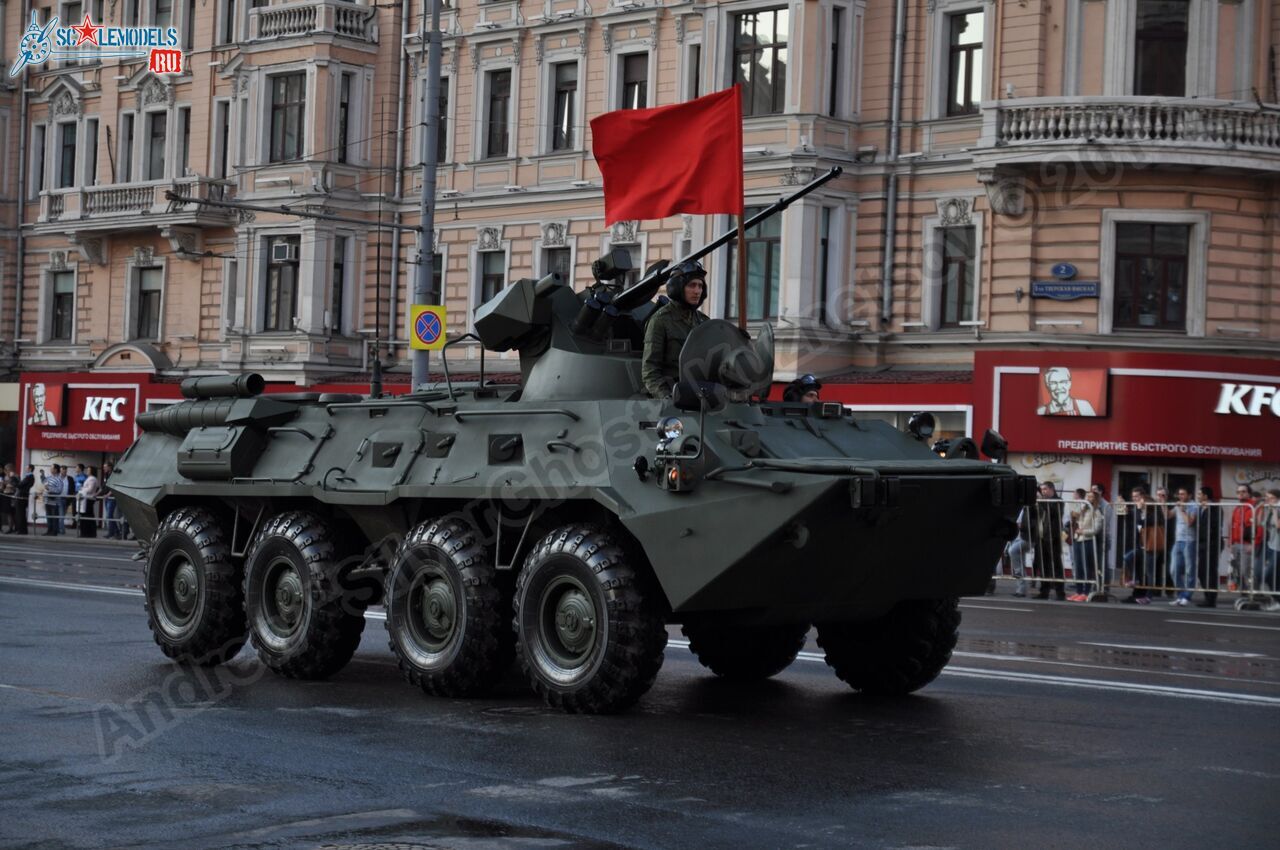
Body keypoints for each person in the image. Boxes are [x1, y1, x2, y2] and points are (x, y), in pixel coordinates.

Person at [641, 260, 708, 398]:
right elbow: (650, 371)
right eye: (692, 285)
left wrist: (738, 339)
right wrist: (667, 397)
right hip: (674, 395)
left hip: (701, 395)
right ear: (678, 287)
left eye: (700, 286)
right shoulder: (660, 320)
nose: (697, 291)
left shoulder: (704, 322)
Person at [1121, 486, 1160, 604]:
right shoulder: (1137, 510)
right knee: (1129, 558)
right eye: (1133, 497)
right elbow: (1133, 524)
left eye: (1137, 497)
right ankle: (1136, 585)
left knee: (1148, 572)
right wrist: (1125, 510)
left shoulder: (1153, 512)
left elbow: (1143, 524)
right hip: (1139, 544)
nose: (1135, 500)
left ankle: (1148, 596)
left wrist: (1138, 510)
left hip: (1150, 545)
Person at [1032, 482, 1067, 600]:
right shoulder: (1040, 501)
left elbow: (1053, 512)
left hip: (1053, 537)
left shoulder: (1058, 501)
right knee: (1043, 565)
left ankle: (1060, 593)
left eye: (1045, 489)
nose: (1043, 491)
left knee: (1056, 565)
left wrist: (1041, 501)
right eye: (1042, 489)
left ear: (1052, 489)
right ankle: (1044, 592)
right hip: (1041, 537)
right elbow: (1034, 515)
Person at [1069, 490, 1104, 601]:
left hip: (1088, 540)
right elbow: (1076, 522)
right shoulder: (1083, 509)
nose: (1088, 498)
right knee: (1078, 567)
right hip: (1077, 539)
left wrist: (1083, 532)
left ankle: (1086, 592)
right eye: (1087, 496)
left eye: (1091, 497)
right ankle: (1078, 591)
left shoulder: (1097, 511)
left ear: (1095, 499)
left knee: (1087, 567)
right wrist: (1073, 518)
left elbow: (1097, 528)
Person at [1167, 486, 1199, 606]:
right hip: (1178, 541)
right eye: (1179, 494)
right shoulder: (1178, 505)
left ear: (1189, 495)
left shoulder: (1193, 506)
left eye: (1183, 494)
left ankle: (1187, 596)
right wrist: (1163, 503)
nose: (1180, 496)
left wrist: (1182, 510)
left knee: (1190, 570)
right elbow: (1167, 516)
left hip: (1189, 541)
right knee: (1173, 569)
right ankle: (1180, 595)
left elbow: (1190, 522)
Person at [1195, 486, 1224, 607]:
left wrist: (1208, 509)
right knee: (1201, 571)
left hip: (1212, 543)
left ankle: (1211, 599)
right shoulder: (1201, 508)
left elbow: (1215, 525)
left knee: (1210, 571)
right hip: (1202, 543)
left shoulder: (1215, 507)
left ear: (1205, 496)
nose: (1198, 496)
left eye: (1199, 494)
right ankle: (1207, 596)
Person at [1229, 485, 1260, 593]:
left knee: (1246, 571)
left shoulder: (1254, 507)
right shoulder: (1237, 508)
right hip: (1236, 544)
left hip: (1247, 544)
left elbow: (1259, 528)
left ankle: (1255, 594)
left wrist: (1254, 543)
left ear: (1249, 493)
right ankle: (1245, 594)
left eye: (1243, 491)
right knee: (1238, 572)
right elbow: (1233, 525)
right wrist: (1231, 543)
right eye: (1238, 492)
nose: (1240, 494)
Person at [1256, 490, 1280, 611]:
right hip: (1270, 545)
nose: (1268, 500)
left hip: (1278, 547)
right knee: (1263, 573)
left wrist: (1274, 510)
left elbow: (1278, 525)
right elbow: (1260, 523)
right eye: (1267, 498)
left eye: (1271, 498)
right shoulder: (1270, 509)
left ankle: (1278, 600)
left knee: (1269, 574)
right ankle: (1277, 599)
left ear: (1277, 498)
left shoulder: (1277, 508)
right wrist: (1261, 509)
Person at [77, 466, 100, 538]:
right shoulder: (89, 478)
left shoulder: (92, 479)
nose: (87, 471)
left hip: (89, 499)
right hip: (86, 499)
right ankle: (87, 532)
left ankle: (88, 533)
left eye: (89, 470)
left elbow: (90, 489)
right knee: (86, 516)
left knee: (87, 516)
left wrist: (82, 489)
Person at [43, 465, 65, 536]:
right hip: (47, 500)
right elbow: (44, 486)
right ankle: (49, 530)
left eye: (52, 468)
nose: (50, 469)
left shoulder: (59, 479)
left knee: (54, 517)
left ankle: (54, 532)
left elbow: (59, 490)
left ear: (55, 470)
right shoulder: (48, 478)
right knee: (48, 517)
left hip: (54, 502)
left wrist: (49, 489)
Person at [13, 465, 34, 535]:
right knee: (21, 514)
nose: (25, 469)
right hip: (22, 497)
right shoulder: (28, 477)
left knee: (20, 514)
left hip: (22, 497)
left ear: (30, 469)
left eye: (27, 468)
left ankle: (21, 530)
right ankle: (22, 530)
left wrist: (13, 478)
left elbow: (19, 485)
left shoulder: (29, 477)